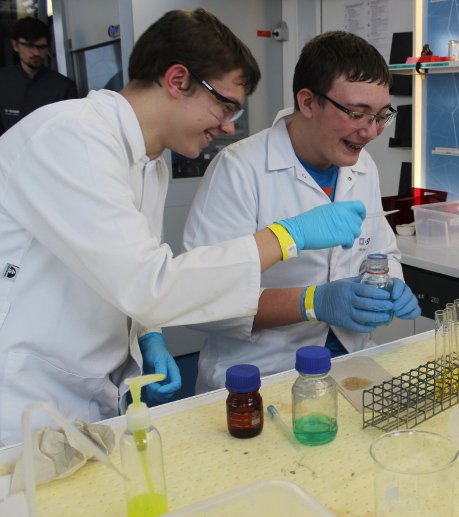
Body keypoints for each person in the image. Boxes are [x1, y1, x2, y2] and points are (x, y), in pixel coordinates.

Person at [0, 10, 366, 446]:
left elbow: (126, 270)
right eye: (225, 105)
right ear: (177, 80)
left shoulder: (148, 162)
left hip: (89, 391)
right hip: (23, 400)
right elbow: (150, 284)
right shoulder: (70, 138)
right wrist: (286, 237)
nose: (229, 125)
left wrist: (147, 335)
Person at [183, 31, 421, 393]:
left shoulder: (363, 166)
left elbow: (380, 251)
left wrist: (390, 282)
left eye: (381, 115)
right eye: (357, 113)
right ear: (308, 102)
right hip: (262, 374)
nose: (372, 131)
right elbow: (202, 300)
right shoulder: (239, 169)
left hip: (351, 363)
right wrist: (312, 302)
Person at [0, 17, 77, 135]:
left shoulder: (63, 87)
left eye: (42, 47)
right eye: (30, 46)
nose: (36, 53)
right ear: (15, 45)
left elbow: (69, 131)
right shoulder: (3, 81)